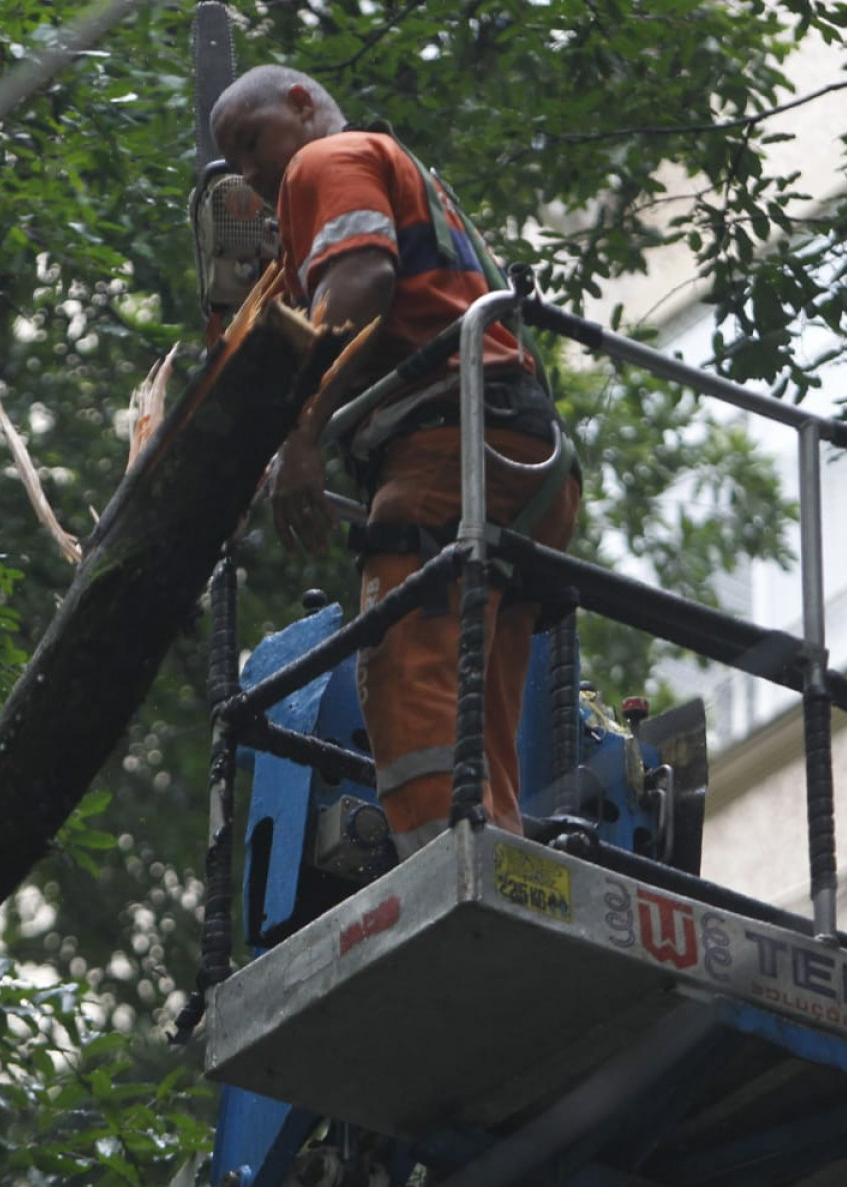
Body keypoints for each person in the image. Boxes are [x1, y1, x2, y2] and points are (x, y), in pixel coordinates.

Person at [211, 66, 581, 856]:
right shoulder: (397, 174)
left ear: (302, 106)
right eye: (235, 163)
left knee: (406, 669)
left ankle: (445, 874)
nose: (251, 174)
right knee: (476, 710)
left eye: (252, 143)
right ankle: (497, 856)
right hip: (522, 455)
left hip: (449, 448)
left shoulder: (327, 159)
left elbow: (363, 282)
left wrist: (305, 434)